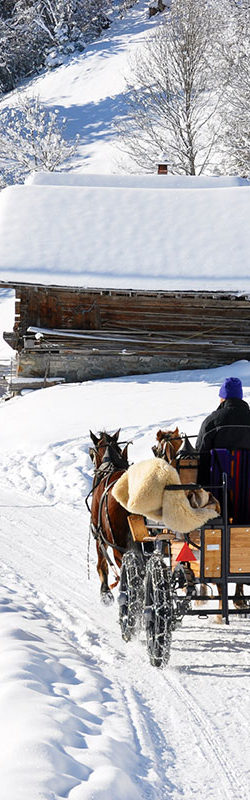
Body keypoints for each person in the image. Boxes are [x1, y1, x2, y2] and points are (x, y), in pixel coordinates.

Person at [196, 377, 250, 485]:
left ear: (223, 398)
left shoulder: (212, 421)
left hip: (217, 488)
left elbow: (200, 453)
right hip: (247, 488)